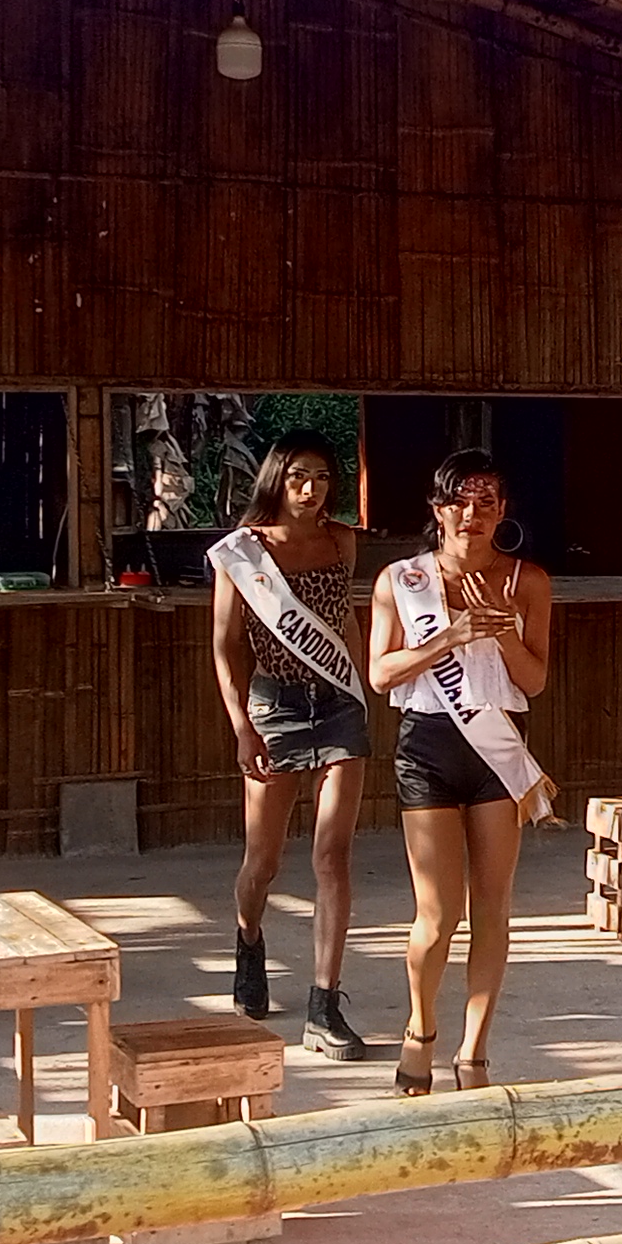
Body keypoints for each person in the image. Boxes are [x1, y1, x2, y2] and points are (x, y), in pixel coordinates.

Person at [365, 449, 555, 1091]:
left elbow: (535, 679)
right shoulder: (401, 580)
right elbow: (381, 673)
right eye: (459, 501)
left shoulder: (528, 581)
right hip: (428, 744)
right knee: (438, 914)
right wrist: (449, 636)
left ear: (503, 511)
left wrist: (501, 631)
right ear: (438, 508)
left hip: (497, 747)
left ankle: (474, 1049)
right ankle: (420, 1029)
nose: (472, 514)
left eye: (486, 501)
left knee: (492, 907)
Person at [205, 431, 371, 1054]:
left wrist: (360, 686)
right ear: (278, 477)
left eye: (323, 478)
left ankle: (324, 1005)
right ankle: (249, 939)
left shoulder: (342, 541)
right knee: (263, 861)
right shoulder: (243, 552)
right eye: (300, 476)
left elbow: (346, 617)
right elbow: (226, 645)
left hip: (339, 704)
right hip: (274, 706)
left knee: (333, 855)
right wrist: (241, 726)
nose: (311, 489)